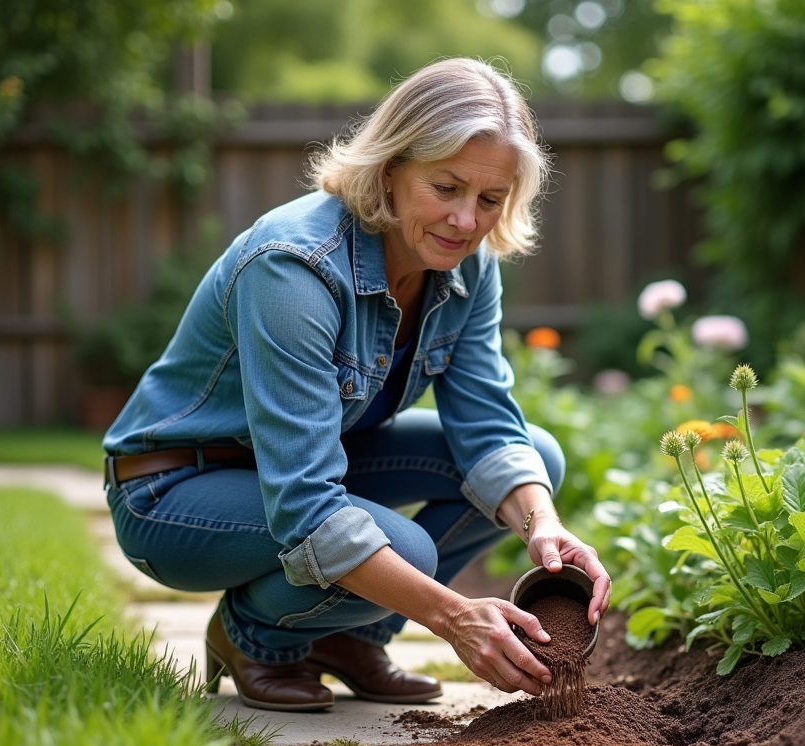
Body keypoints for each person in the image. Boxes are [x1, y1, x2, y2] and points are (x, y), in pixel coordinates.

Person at [102, 58, 611, 712]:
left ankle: (347, 639)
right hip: (174, 491)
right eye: (446, 187)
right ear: (392, 168)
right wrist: (452, 617)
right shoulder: (294, 269)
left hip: (292, 472)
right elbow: (307, 505)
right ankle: (254, 637)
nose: (465, 220)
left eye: (489, 199)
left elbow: (487, 423)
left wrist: (544, 526)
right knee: (406, 550)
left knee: (536, 460)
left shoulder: (466, 267)